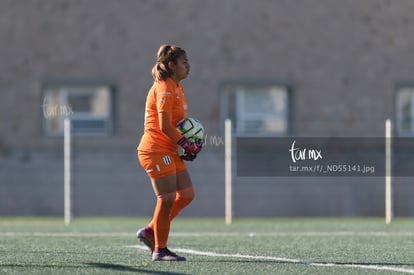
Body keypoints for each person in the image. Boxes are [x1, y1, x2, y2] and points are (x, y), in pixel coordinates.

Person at [136, 45, 203, 261]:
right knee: (165, 199)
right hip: (155, 150)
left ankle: (150, 231)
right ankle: (160, 249)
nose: (188, 66)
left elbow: (177, 124)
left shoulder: (177, 87)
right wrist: (185, 142)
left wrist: (189, 143)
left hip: (169, 149)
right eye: (184, 62)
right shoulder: (164, 87)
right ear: (172, 65)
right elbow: (165, 126)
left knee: (187, 194)